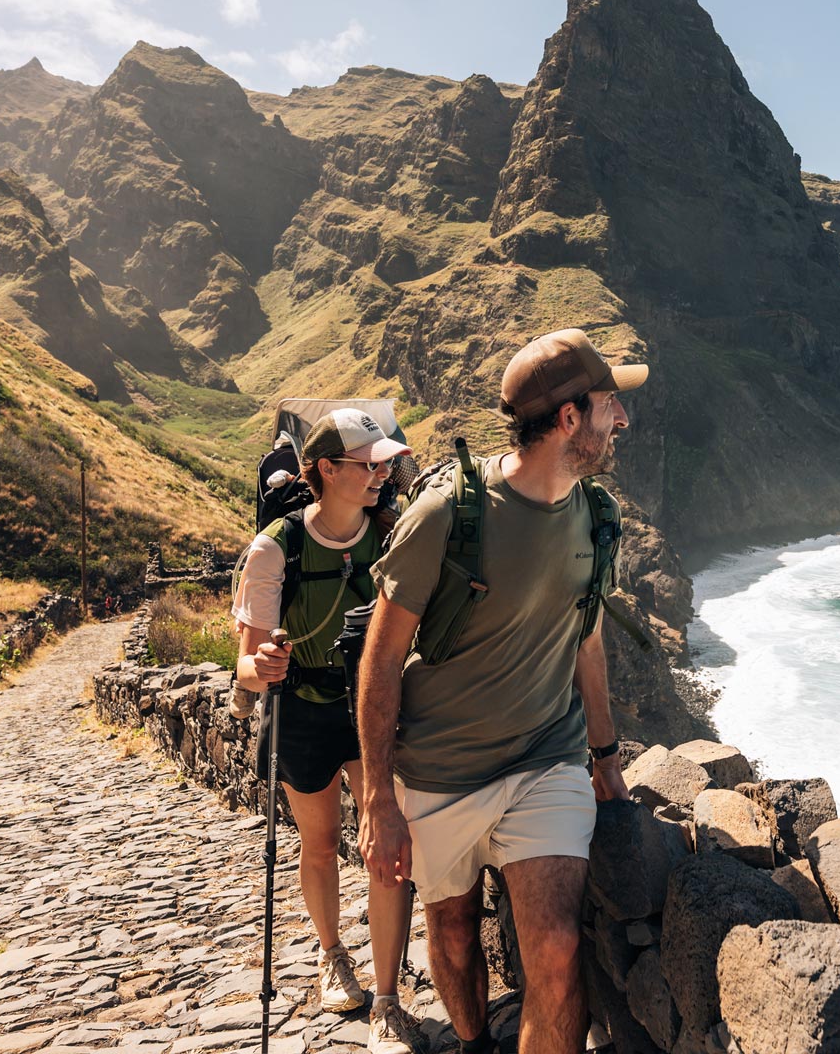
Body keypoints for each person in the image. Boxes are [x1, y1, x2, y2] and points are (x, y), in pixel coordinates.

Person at [355, 329, 644, 1054]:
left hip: (545, 760)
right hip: (437, 773)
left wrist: (604, 756)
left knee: (554, 949)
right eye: (612, 404)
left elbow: (586, 639)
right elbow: (382, 658)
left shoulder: (595, 516)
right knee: (451, 933)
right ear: (570, 419)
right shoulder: (447, 515)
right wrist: (377, 800)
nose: (624, 421)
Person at [231, 408, 418, 1053]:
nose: (382, 473)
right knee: (318, 844)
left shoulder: (392, 535)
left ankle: (388, 996)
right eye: (369, 464)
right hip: (305, 711)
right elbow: (246, 666)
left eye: (385, 463)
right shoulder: (273, 548)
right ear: (327, 470)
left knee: (387, 852)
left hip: (370, 713)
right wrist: (263, 664)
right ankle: (333, 956)